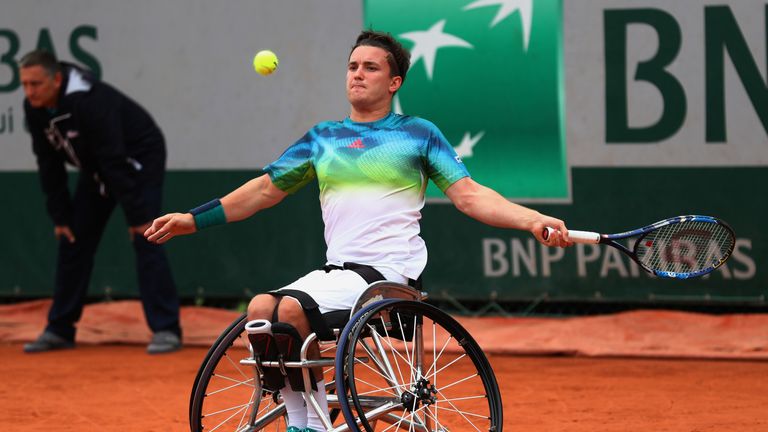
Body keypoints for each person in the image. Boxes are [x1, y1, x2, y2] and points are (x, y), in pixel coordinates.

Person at [145, 30, 571, 431]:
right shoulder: (323, 139)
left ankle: (307, 424)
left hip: (389, 276)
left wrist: (532, 219)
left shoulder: (417, 135)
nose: (358, 74)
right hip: (338, 274)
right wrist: (193, 219)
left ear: (394, 82)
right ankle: (301, 419)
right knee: (259, 310)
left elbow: (471, 196)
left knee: (289, 311)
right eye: (352, 66)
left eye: (370, 67)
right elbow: (261, 192)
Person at [20, 50, 182, 355]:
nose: (29, 92)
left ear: (56, 79)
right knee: (73, 237)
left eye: (36, 84)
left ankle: (166, 328)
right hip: (99, 167)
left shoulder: (90, 100)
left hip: (136, 159)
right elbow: (48, 163)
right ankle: (59, 328)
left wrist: (138, 216)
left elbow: (114, 159)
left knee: (148, 235)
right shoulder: (35, 107)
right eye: (25, 85)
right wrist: (60, 216)